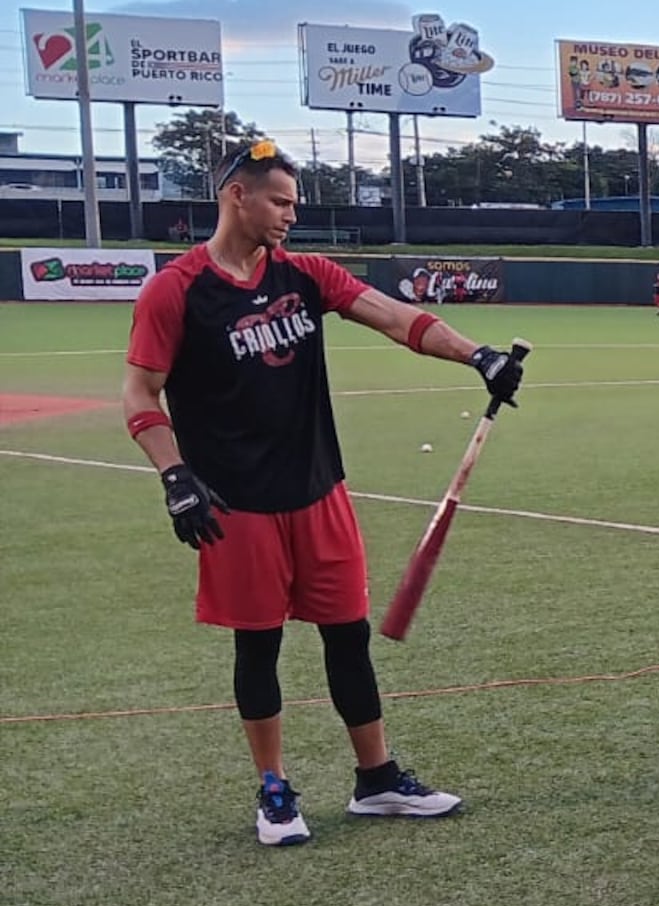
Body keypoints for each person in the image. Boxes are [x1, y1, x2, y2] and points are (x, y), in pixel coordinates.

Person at [119, 139, 527, 846]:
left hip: (317, 491)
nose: (289, 214)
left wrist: (478, 355)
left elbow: (396, 317)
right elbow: (139, 392)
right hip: (236, 504)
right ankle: (274, 789)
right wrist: (175, 476)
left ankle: (377, 780)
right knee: (259, 646)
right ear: (235, 196)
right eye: (279, 201)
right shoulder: (176, 290)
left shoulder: (305, 274)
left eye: (294, 202)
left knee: (349, 638)